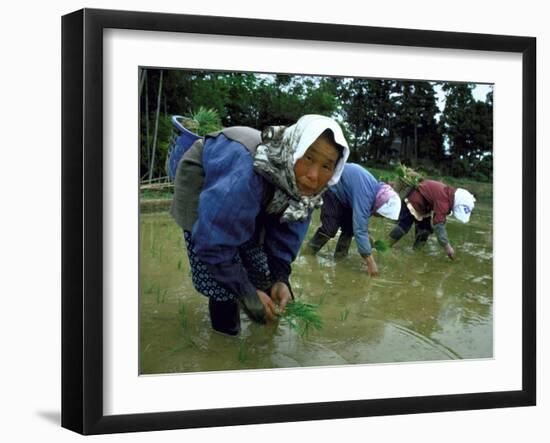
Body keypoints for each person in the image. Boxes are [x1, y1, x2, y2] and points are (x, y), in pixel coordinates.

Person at [170, 115, 350, 336]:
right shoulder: (246, 173)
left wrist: (280, 278)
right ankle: (224, 337)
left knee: (261, 270)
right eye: (308, 157)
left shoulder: (308, 189)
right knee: (221, 282)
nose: (314, 175)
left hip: (254, 193)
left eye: (326, 166)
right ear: (295, 148)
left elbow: (288, 232)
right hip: (207, 177)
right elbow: (212, 242)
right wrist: (245, 292)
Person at [306, 163, 401, 277]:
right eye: (381, 215)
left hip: (347, 197)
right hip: (334, 188)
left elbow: (360, 225)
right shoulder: (366, 196)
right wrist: (370, 261)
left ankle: (339, 259)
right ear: (380, 206)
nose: (380, 217)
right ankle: (308, 253)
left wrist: (369, 242)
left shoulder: (375, 193)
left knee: (349, 228)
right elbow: (360, 229)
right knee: (329, 228)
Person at [388, 179, 476, 259]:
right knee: (404, 226)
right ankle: (386, 246)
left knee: (425, 230)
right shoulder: (444, 200)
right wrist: (448, 247)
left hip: (424, 206)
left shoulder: (448, 195)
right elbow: (439, 225)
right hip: (414, 200)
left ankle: (416, 253)